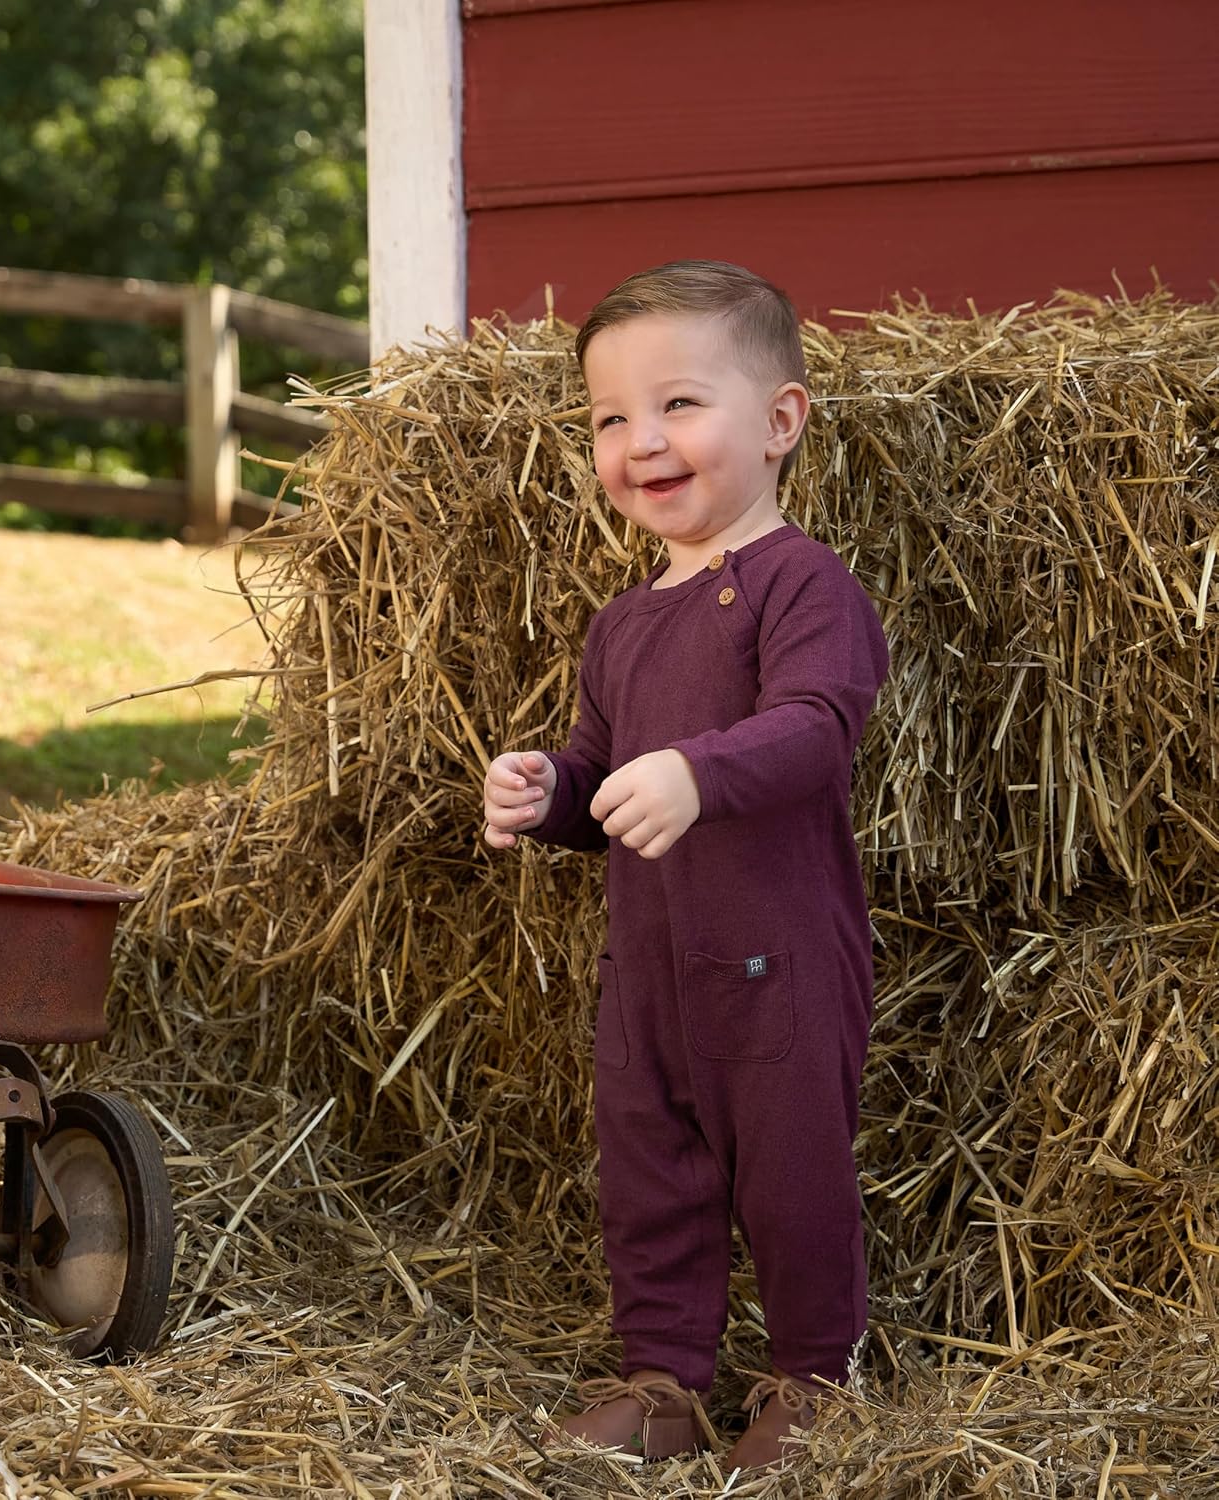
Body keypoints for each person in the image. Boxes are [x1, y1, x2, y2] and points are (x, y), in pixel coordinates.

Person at [482, 260, 889, 1469]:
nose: (641, 442)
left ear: (779, 423)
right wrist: (547, 789)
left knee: (792, 1176)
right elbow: (606, 776)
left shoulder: (803, 585)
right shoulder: (625, 623)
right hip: (653, 968)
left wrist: (697, 773)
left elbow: (819, 725)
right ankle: (664, 1382)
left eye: (678, 406)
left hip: (780, 960)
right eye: (611, 419)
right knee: (649, 1173)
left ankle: (816, 1383)